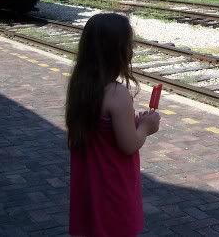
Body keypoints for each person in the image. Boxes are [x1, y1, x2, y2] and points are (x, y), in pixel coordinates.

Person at [66, 13, 161, 237]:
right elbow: (129, 145)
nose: (131, 51)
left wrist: (131, 123)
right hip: (113, 188)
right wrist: (146, 127)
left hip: (89, 187)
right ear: (117, 52)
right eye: (129, 45)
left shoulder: (80, 86)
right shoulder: (117, 93)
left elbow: (105, 132)